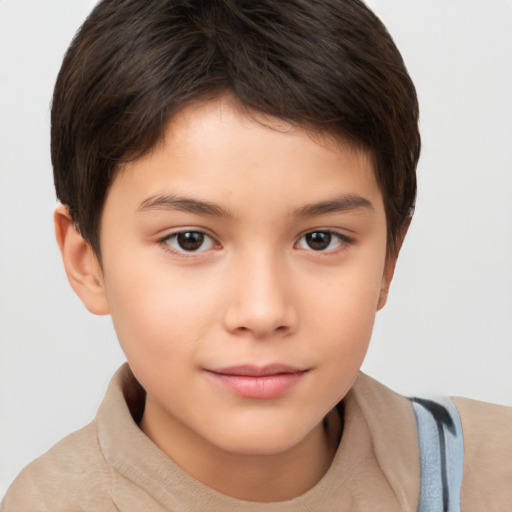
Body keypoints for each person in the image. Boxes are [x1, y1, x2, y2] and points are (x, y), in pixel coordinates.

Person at [2, 0, 511, 510]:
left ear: (387, 261)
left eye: (320, 239)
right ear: (86, 259)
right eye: (190, 240)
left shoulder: (490, 475)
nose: (263, 312)